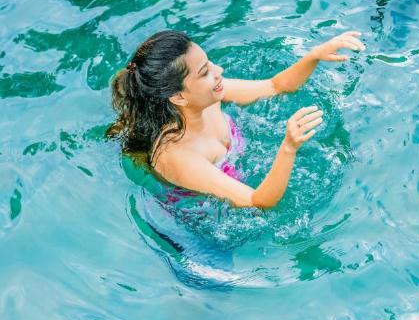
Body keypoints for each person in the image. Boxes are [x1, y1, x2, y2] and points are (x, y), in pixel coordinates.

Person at [108, 29, 364, 208]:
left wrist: (314, 55)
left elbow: (275, 86)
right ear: (179, 97)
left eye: (210, 63)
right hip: (198, 221)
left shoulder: (208, 99)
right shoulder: (178, 156)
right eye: (205, 72)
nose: (219, 71)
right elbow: (259, 202)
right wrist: (288, 147)